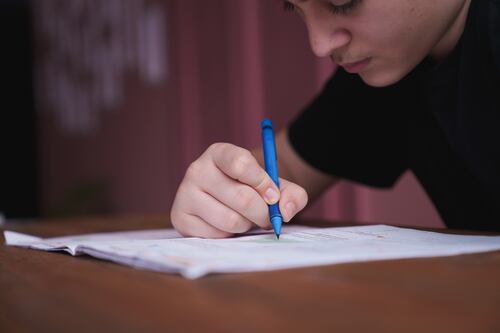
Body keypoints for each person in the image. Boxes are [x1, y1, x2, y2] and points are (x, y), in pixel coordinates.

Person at [171, 0, 500, 238]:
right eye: (294, 7)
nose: (319, 44)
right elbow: (289, 166)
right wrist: (226, 190)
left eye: (343, 3)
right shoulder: (396, 67)